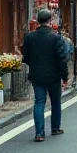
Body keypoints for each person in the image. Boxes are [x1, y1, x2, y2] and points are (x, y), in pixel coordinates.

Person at [22, 10, 70, 142]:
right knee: (55, 101)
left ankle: (39, 133)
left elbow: (25, 57)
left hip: (36, 74)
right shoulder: (56, 38)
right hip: (54, 75)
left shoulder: (30, 37)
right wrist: (65, 76)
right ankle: (55, 128)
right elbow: (62, 59)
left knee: (39, 102)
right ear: (50, 21)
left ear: (38, 21)